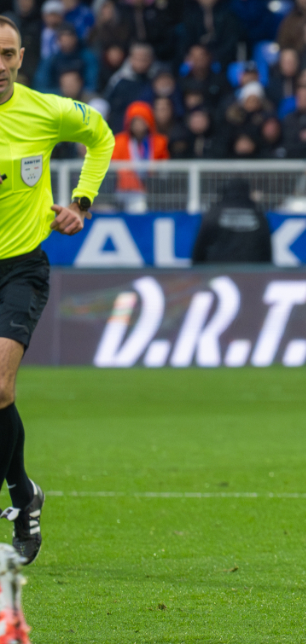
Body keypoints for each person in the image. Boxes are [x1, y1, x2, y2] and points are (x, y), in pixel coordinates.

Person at [0, 16, 114, 566]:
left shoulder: (46, 110)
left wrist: (83, 201)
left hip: (21, 267)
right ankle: (23, 493)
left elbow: (102, 138)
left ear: (21, 57)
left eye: (6, 55)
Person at [192, 179, 272, 264]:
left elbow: (201, 246)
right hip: (250, 271)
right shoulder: (257, 215)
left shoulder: (214, 214)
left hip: (218, 270)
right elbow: (266, 246)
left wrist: (198, 270)